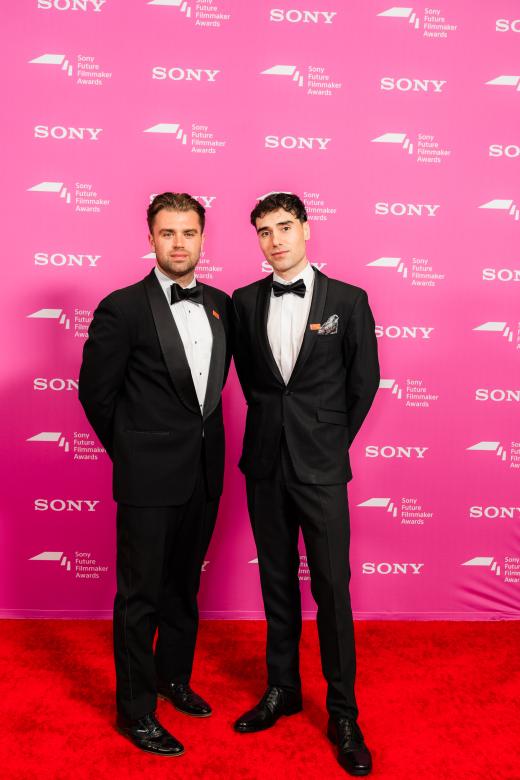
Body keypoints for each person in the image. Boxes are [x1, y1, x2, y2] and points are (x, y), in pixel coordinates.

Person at [79, 192, 232, 757]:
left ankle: (174, 679)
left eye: (188, 233)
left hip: (204, 474)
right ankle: (136, 711)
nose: (178, 243)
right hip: (147, 478)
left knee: (183, 589)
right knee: (139, 598)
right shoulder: (121, 308)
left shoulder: (220, 304)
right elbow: (95, 395)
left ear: (202, 238)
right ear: (150, 238)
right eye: (167, 233)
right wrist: (133, 454)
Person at [232, 192, 379, 776]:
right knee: (276, 585)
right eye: (264, 232)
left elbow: (363, 381)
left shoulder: (349, 298)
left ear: (307, 229)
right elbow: (253, 380)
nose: (275, 240)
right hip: (265, 464)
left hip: (321, 466)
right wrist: (279, 430)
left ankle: (343, 711)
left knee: (332, 590)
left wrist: (326, 441)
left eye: (285, 227)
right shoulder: (242, 302)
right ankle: (282, 689)